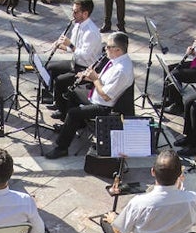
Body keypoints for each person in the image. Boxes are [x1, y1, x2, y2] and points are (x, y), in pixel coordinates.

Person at [45, 31, 135, 159]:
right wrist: (88, 77)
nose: (105, 49)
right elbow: (104, 81)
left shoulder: (122, 70)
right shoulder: (115, 60)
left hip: (105, 107)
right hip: (98, 96)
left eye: (108, 47)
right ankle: (75, 125)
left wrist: (94, 79)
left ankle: (61, 148)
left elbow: (106, 96)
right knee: (73, 94)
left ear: (118, 50)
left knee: (73, 113)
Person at [112, 149, 196, 233]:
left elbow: (120, 232)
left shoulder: (138, 203)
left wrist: (113, 219)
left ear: (153, 172)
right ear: (179, 174)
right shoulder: (192, 198)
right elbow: (193, 222)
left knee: (107, 221)